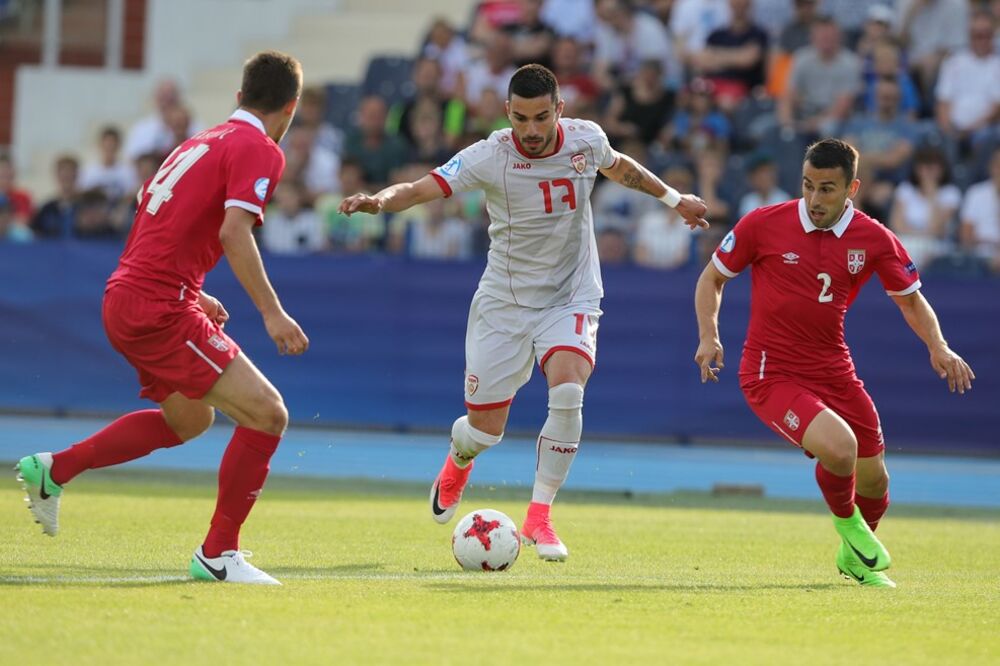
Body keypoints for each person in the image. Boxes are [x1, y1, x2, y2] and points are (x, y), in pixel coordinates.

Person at [339, 64, 708, 561]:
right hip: (505, 304)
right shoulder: (491, 154)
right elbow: (424, 186)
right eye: (521, 119)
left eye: (541, 117)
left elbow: (621, 167)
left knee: (569, 391)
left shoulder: (586, 139)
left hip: (571, 294)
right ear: (507, 113)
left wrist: (674, 198)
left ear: (560, 109)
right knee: (485, 431)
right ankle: (459, 457)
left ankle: (540, 517)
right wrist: (378, 202)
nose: (531, 131)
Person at [15, 51, 309, 585]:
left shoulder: (199, 141)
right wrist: (272, 313)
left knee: (189, 420)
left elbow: (155, 225)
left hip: (128, 295)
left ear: (239, 97)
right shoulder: (258, 147)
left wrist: (193, 295)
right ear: (291, 108)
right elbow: (233, 233)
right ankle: (219, 555)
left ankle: (55, 469)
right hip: (156, 307)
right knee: (269, 415)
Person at [693, 138, 975, 588]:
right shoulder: (764, 224)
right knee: (840, 449)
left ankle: (854, 560)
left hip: (834, 371)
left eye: (827, 189)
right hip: (771, 373)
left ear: (852, 188)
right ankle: (849, 529)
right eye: (808, 186)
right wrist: (709, 335)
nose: (814, 198)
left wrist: (939, 346)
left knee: (876, 482)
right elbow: (712, 279)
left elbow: (911, 302)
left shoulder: (874, 237)